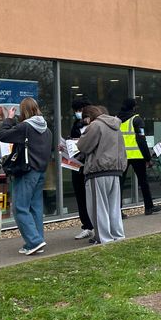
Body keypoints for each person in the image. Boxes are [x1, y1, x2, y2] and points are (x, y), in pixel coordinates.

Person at [0, 97, 53, 255]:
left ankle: (34, 241)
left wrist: (8, 119)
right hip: (41, 171)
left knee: (20, 207)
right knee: (35, 207)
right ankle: (37, 240)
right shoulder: (47, 129)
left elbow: (3, 136)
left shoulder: (25, 127)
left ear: (24, 111)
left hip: (27, 172)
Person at [77, 105, 127, 244]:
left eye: (85, 119)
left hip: (97, 171)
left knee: (98, 207)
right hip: (115, 170)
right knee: (114, 207)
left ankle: (103, 238)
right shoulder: (116, 126)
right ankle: (118, 234)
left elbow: (83, 146)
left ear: (89, 117)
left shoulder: (95, 126)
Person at [117, 98, 161, 218]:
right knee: (143, 182)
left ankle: (117, 211)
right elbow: (141, 140)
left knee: (119, 184)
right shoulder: (137, 120)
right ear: (133, 107)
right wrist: (148, 158)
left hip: (122, 156)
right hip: (137, 155)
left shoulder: (116, 120)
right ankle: (149, 207)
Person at [67, 97, 95, 240]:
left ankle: (96, 225)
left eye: (80, 110)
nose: (78, 113)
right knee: (80, 196)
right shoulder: (76, 125)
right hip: (77, 165)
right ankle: (86, 226)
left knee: (93, 197)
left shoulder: (95, 125)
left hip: (91, 165)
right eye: (76, 111)